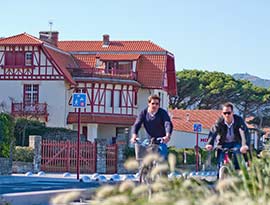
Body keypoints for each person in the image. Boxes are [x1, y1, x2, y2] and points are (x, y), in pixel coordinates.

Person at [205, 102, 250, 169]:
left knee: (237, 153)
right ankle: (220, 175)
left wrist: (245, 145)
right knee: (220, 159)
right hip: (223, 143)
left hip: (236, 143)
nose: (227, 115)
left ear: (232, 112)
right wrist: (209, 143)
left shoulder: (239, 120)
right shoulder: (219, 122)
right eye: (224, 113)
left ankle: (237, 171)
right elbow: (213, 132)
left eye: (228, 113)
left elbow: (245, 132)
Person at [131, 94, 173, 159]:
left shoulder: (163, 113)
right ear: (149, 103)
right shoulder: (144, 113)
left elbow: (167, 124)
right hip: (148, 140)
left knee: (162, 155)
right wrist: (134, 136)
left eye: (157, 104)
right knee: (141, 155)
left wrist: (167, 136)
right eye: (153, 103)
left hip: (160, 140)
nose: (155, 105)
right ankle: (143, 168)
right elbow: (137, 124)